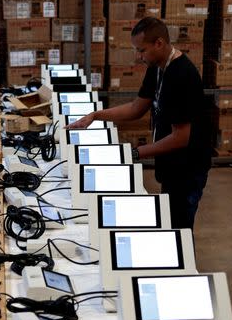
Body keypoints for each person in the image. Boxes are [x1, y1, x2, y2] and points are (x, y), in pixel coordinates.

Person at [67, 17, 213, 229]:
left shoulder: (182, 75)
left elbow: (180, 138)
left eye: (142, 50)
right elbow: (137, 108)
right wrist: (95, 116)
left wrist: (135, 153)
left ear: (159, 43)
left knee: (179, 228)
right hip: (171, 164)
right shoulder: (157, 67)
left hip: (187, 167)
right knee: (170, 220)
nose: (138, 56)